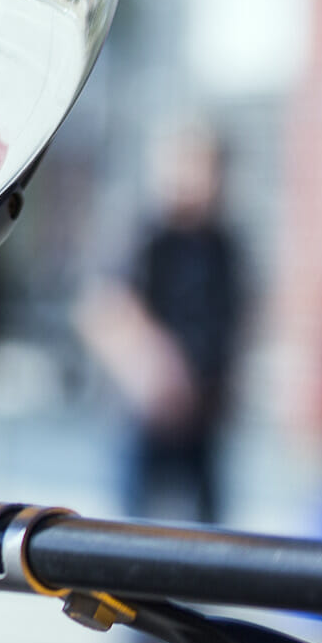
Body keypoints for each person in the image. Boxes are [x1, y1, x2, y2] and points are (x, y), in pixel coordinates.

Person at [80, 128, 245, 530]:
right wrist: (156, 372)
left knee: (206, 536)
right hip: (143, 413)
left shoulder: (222, 243)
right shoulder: (143, 233)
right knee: (132, 532)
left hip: (203, 412)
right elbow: (103, 309)